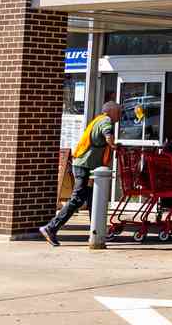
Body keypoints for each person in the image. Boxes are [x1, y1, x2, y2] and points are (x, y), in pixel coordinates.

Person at [40, 101, 119, 246]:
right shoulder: (106, 120)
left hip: (87, 166)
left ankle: (98, 231)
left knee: (93, 200)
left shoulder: (97, 120)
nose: (119, 114)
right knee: (77, 199)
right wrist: (114, 146)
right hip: (84, 166)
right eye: (118, 111)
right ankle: (50, 228)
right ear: (110, 111)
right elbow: (108, 135)